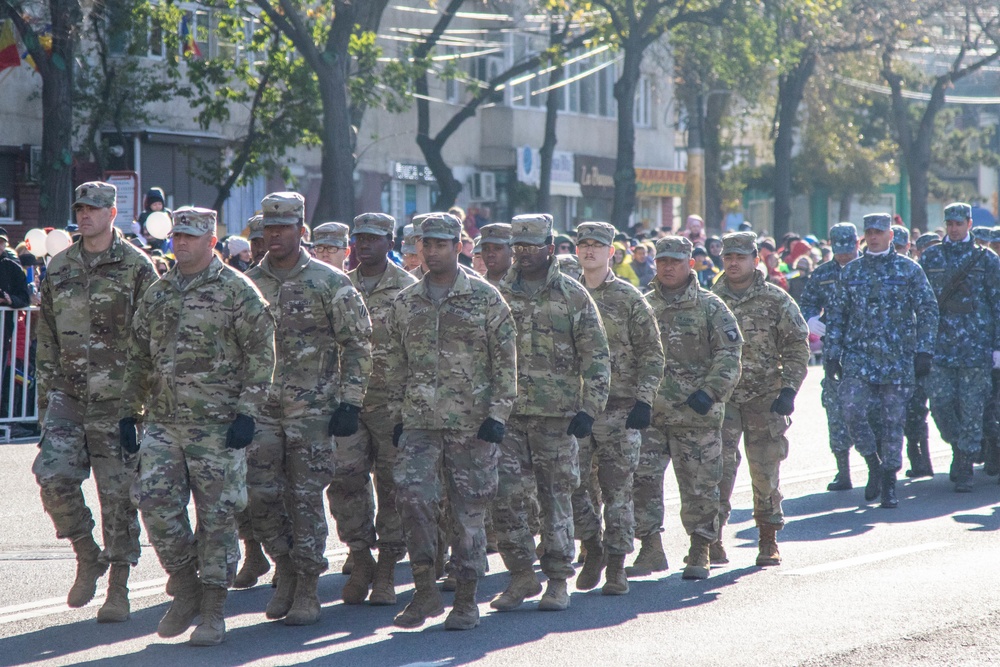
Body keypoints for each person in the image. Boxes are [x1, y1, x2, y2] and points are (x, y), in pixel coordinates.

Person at [120, 206, 276, 646]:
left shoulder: (237, 290)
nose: (182, 243)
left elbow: (263, 355)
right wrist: (128, 412)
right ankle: (186, 586)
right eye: (178, 236)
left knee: (218, 518)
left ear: (211, 241)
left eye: (191, 236)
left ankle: (213, 610)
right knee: (154, 504)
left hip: (218, 426)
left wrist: (248, 412)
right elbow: (138, 355)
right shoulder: (159, 291)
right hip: (165, 423)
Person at [244, 194, 372, 626]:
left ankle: (307, 588)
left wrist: (351, 402)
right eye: (268, 229)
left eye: (283, 228)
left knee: (304, 499)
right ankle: (283, 563)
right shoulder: (247, 283)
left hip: (313, 411)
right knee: (258, 494)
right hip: (261, 409)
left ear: (302, 231)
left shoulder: (330, 282)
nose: (274, 236)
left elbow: (357, 344)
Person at [33, 181, 158, 622]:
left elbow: (153, 338)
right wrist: (45, 400)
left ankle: (119, 586)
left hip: (119, 399)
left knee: (119, 496)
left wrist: (141, 404)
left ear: (112, 212)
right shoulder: (61, 266)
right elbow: (45, 334)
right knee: (53, 477)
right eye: (81, 208)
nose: (85, 215)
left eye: (94, 208)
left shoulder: (138, 267)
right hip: (68, 395)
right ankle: (87, 552)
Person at [386, 212, 517, 630]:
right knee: (412, 502)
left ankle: (465, 598)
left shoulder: (485, 298)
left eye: (442, 244)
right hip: (420, 423)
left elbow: (506, 364)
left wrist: (497, 415)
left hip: (472, 426)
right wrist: (396, 415)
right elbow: (392, 364)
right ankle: (424, 591)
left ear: (458, 246)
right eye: (427, 243)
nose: (433, 251)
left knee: (467, 514)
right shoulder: (406, 302)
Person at [491, 213, 610, 612]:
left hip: (557, 417)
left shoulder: (573, 295)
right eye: (517, 247)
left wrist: (589, 408)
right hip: (506, 415)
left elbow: (597, 356)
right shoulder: (496, 294)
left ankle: (558, 578)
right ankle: (521, 574)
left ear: (550, 246)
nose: (523, 254)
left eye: (531, 246)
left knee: (556, 497)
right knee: (506, 498)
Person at [631, 236, 742, 579]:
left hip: (696, 415)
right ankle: (650, 548)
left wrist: (710, 392)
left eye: (676, 261)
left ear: (690, 264)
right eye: (662, 260)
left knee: (699, 485)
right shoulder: (642, 305)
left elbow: (730, 354)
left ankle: (700, 548)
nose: (668, 267)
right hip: (651, 413)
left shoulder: (711, 306)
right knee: (643, 481)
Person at [328, 212, 416, 607]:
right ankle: (360, 557)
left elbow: (421, 354)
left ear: (390, 242)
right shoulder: (337, 286)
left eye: (373, 238)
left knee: (394, 487)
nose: (364, 244)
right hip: (347, 404)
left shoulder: (408, 289)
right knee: (345, 480)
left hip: (392, 405)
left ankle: (387, 569)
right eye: (359, 238)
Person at [571, 222, 663, 594]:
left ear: (612, 252)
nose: (590, 251)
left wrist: (644, 400)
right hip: (576, 410)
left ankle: (616, 565)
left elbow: (652, 354)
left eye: (598, 245)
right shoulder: (567, 293)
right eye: (584, 244)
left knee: (617, 491)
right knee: (572, 485)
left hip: (619, 410)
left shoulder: (629, 298)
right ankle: (592, 544)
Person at [824, 213, 938, 510]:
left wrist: (924, 350)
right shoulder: (851, 272)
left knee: (892, 423)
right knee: (850, 409)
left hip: (897, 358)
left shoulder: (908, 269)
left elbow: (927, 309)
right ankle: (872, 462)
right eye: (869, 232)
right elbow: (836, 316)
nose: (874, 236)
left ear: (891, 235)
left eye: (879, 231)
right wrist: (832, 354)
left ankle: (888, 480)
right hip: (859, 357)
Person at [713, 232, 810, 566]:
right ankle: (711, 539)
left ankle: (768, 538)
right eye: (728, 257)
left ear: (756, 259)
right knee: (716, 470)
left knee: (765, 470)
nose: (734, 263)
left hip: (765, 398)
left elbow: (798, 344)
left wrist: (788, 389)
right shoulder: (711, 299)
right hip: (722, 399)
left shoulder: (775, 299)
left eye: (740, 257)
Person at [919, 202, 1000, 492]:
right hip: (940, 347)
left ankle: (964, 463)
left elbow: (998, 303)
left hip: (976, 348)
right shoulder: (931, 258)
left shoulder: (987, 260)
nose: (953, 229)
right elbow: (922, 303)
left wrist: (997, 347)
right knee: (940, 406)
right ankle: (959, 445)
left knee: (972, 408)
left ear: (968, 223)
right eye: (949, 224)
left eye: (958, 223)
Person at [798, 223, 861, 491]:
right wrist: (811, 319)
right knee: (836, 412)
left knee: (870, 414)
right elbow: (807, 302)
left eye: (849, 250)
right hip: (835, 353)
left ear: (857, 244)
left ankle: (878, 469)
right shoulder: (823, 274)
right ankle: (843, 471)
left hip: (869, 353)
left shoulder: (869, 270)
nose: (844, 256)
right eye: (839, 251)